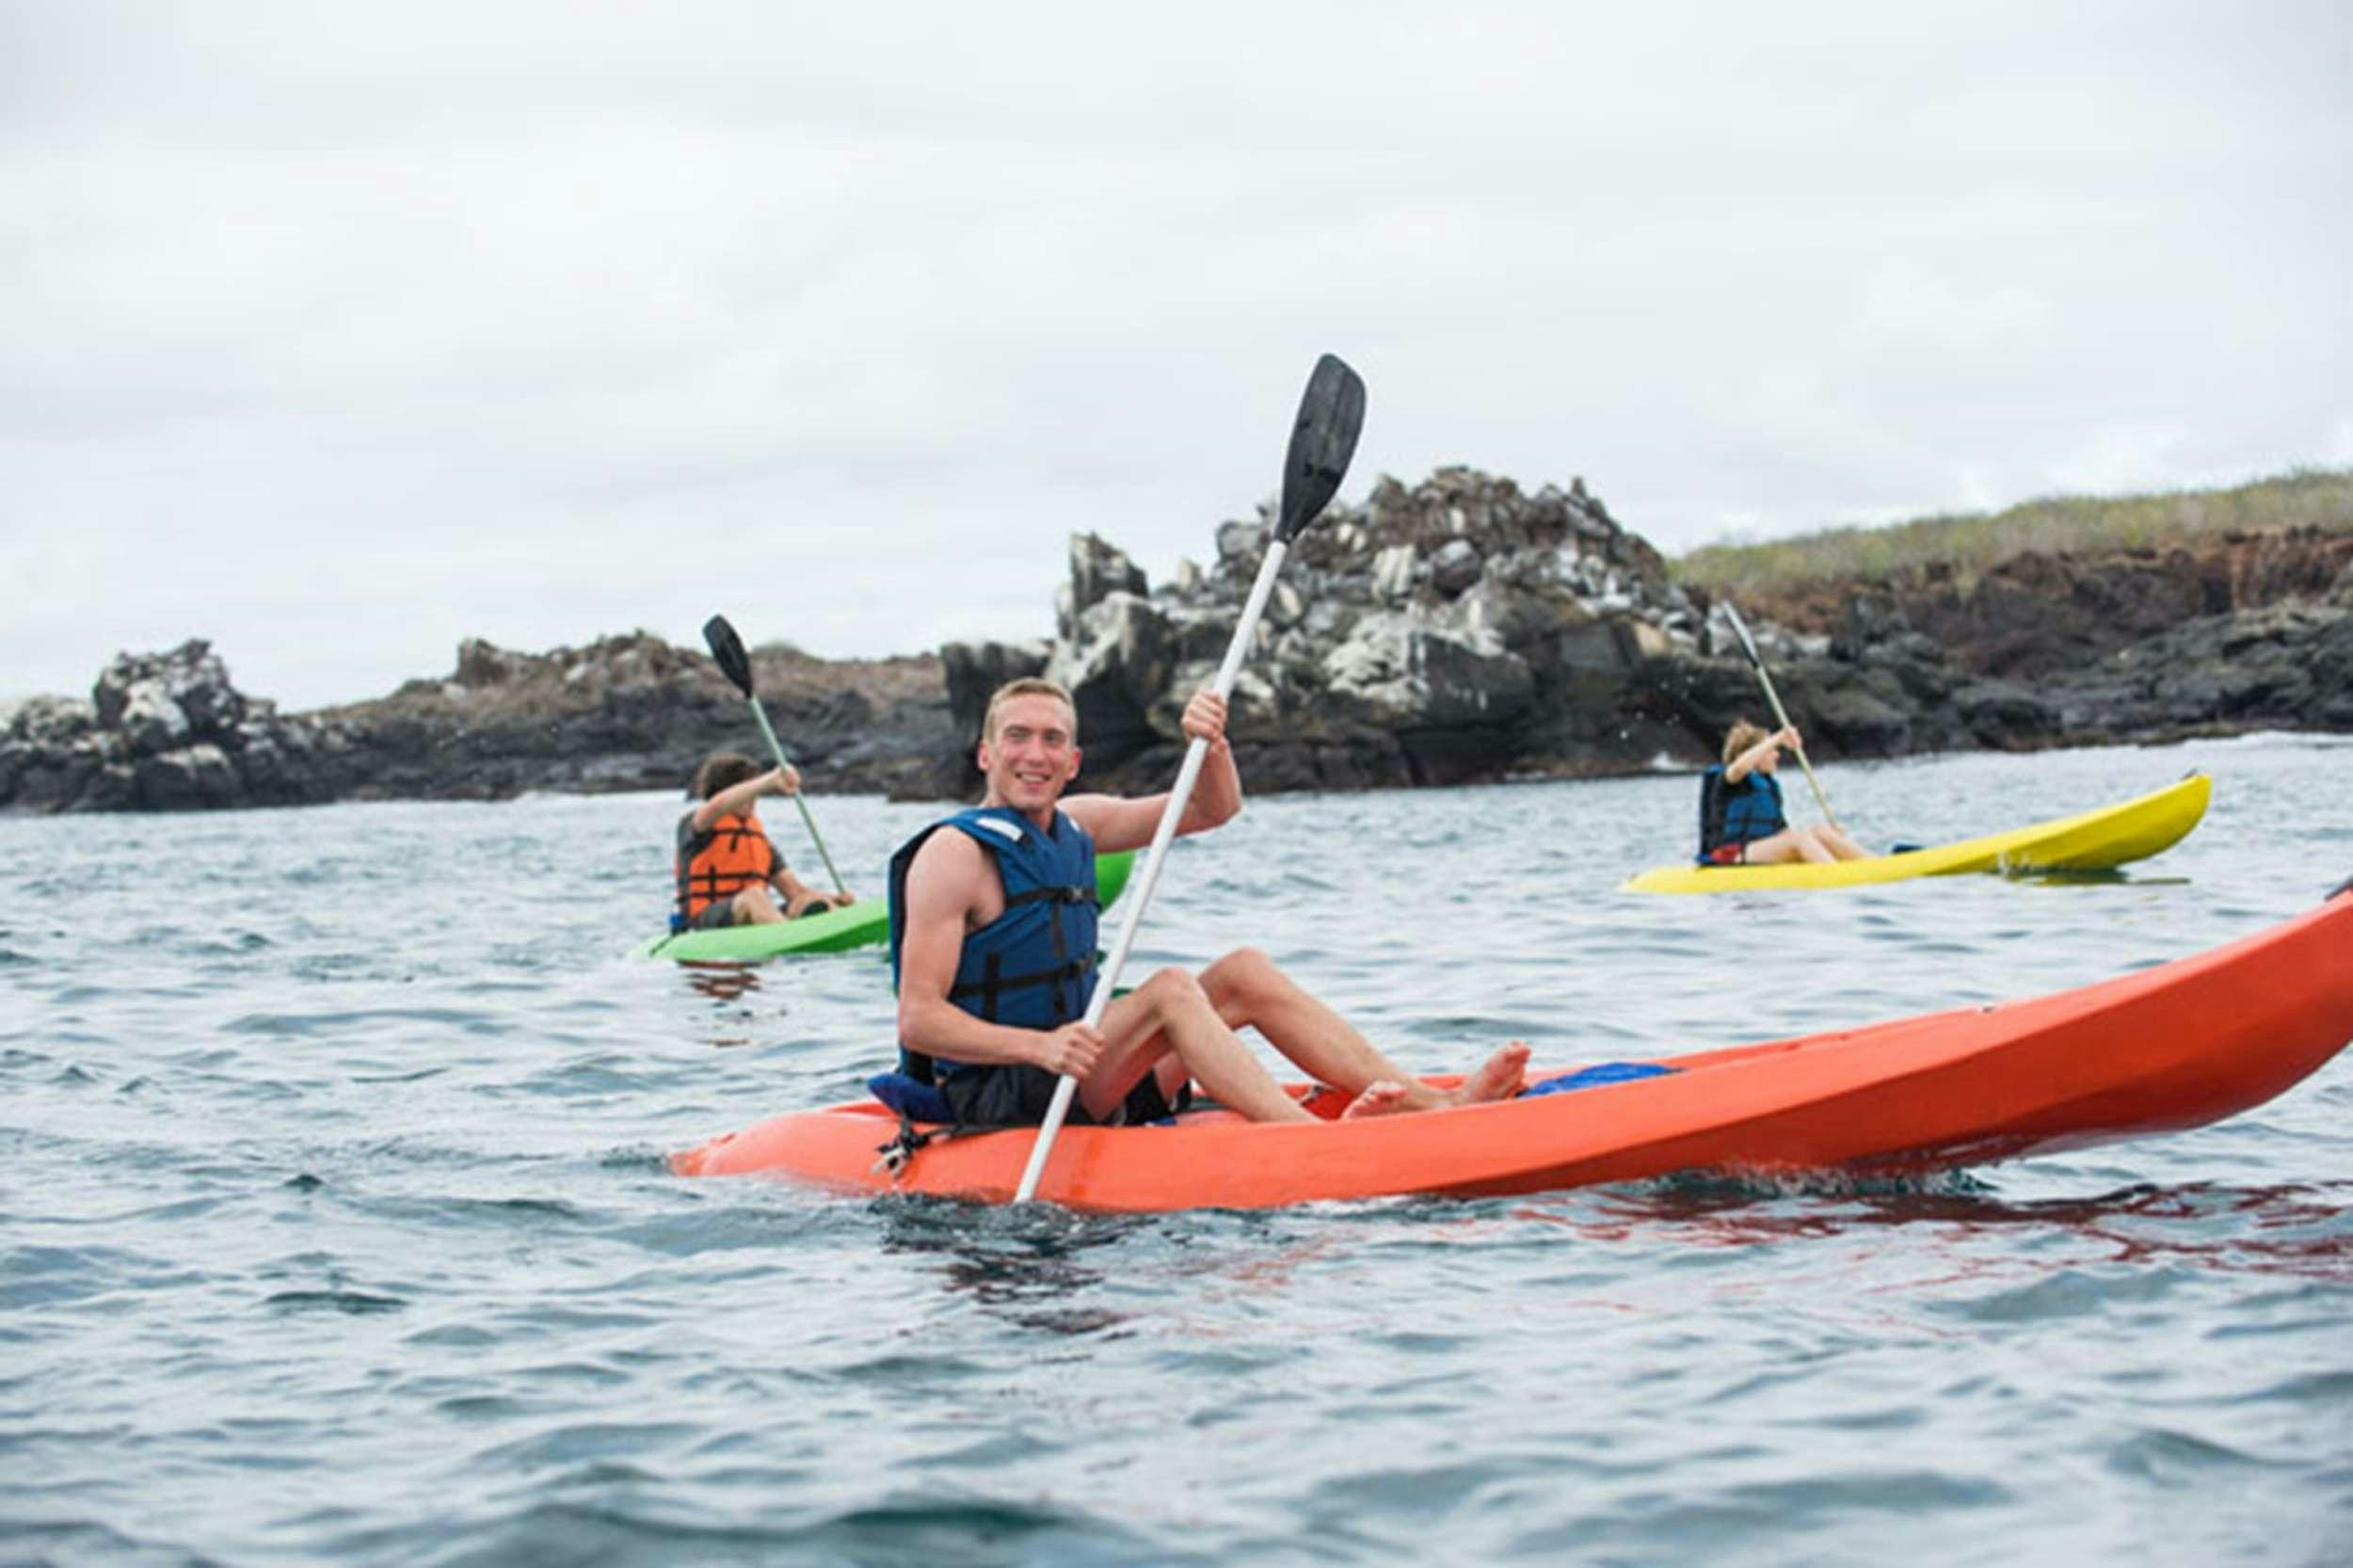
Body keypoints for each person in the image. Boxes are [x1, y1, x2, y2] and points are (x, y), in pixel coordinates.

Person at [887, 676, 1529, 1128]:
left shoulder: (1079, 824)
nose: (1035, 754)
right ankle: (1310, 1141)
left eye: (1052, 740)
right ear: (986, 754)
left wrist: (1212, 747)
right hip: (1005, 1087)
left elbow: (1209, 810)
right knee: (1168, 989)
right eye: (1018, 737)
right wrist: (1038, 1049)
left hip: (1086, 1071)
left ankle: (1435, 1107)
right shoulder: (954, 855)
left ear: (1074, 760)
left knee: (1242, 972)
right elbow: (918, 1020)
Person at [674, 752, 855, 929]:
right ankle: (791, 938)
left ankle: (844, 928)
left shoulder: (760, 842)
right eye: (749, 791)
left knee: (807, 900)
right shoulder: (696, 824)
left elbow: (795, 892)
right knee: (754, 897)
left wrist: (833, 899)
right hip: (702, 921)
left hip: (751, 916)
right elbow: (718, 805)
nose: (754, 799)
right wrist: (770, 780)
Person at [1697, 719, 1869, 866]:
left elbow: (1781, 832)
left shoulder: (1769, 786)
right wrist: (1779, 737)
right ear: (1754, 754)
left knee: (1820, 831)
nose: (1777, 755)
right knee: (1799, 839)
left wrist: (1827, 838)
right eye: (1771, 751)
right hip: (1730, 854)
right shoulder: (1729, 778)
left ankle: (1871, 864)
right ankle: (1836, 874)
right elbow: (1740, 767)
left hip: (1760, 849)